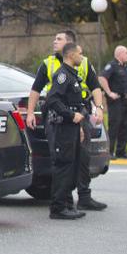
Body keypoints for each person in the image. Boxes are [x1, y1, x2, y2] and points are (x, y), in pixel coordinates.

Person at [26, 28, 108, 210]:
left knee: (82, 156)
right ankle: (64, 200)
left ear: (69, 44)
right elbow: (36, 90)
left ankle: (84, 196)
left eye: (59, 39)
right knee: (62, 158)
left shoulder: (83, 62)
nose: (54, 41)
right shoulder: (48, 64)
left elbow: (95, 87)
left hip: (80, 114)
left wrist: (99, 108)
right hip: (60, 117)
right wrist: (31, 112)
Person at [44, 42, 91, 220]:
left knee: (72, 166)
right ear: (71, 55)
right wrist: (71, 115)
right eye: (80, 53)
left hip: (72, 127)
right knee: (63, 166)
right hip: (63, 127)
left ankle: (67, 205)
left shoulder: (73, 75)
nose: (82, 56)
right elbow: (52, 100)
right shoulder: (63, 75)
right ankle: (57, 208)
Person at [99, 45, 127, 158]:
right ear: (119, 54)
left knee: (125, 125)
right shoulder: (112, 66)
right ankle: (109, 151)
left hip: (126, 100)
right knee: (114, 125)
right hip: (116, 101)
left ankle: (121, 151)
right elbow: (102, 78)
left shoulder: (126, 67)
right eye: (126, 53)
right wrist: (109, 92)